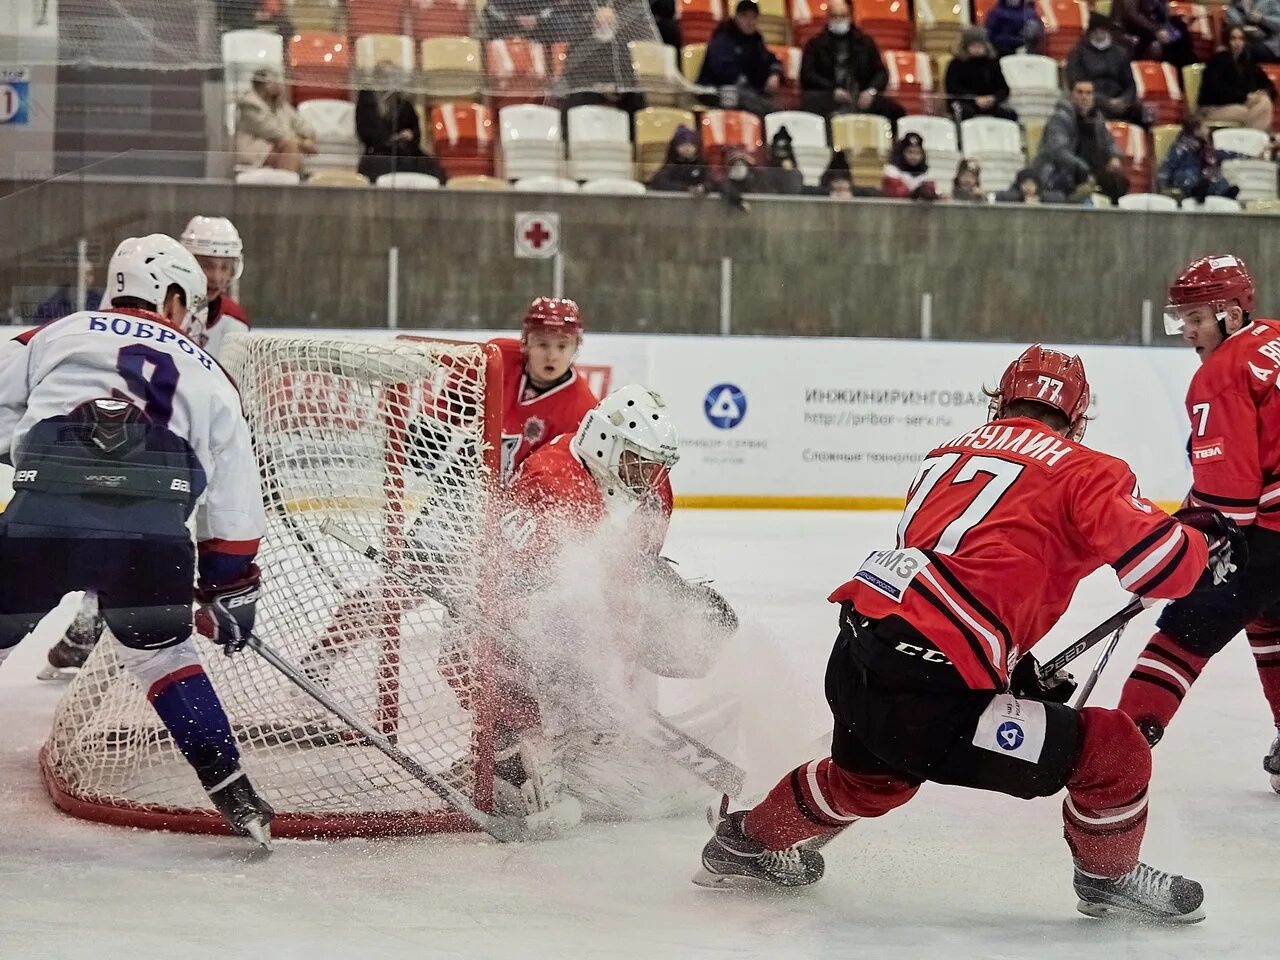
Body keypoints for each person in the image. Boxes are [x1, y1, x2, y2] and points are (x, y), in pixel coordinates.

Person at [694, 344, 1243, 924]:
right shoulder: (1086, 468)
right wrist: (1200, 543)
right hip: (930, 690)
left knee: (873, 777)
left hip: (858, 649)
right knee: (1114, 751)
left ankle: (747, 842)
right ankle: (1109, 880)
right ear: (1078, 419)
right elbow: (1158, 569)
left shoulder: (947, 454)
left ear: (1000, 402)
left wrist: (1005, 666)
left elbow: (971, 564)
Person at [0, 234, 273, 846]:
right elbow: (233, 495)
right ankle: (233, 789)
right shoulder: (211, 372)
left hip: (44, 518)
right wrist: (230, 580)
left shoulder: (57, 332)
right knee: (163, 656)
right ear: (173, 299)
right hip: (149, 537)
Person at [452, 384, 736, 822]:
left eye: (656, 466)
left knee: (702, 622)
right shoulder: (553, 476)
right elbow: (528, 583)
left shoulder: (652, 489)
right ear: (606, 443)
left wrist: (627, 671)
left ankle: (595, 738)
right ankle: (506, 755)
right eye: (639, 462)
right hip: (512, 616)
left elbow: (637, 578)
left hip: (584, 613)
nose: (650, 476)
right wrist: (591, 668)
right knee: (550, 629)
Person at [303, 298, 600, 678]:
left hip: (512, 524)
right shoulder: (495, 358)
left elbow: (563, 488)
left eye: (562, 345)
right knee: (396, 587)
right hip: (460, 500)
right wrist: (437, 438)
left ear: (577, 347)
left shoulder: (581, 409)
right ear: (525, 341)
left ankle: (508, 717)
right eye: (543, 342)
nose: (551, 354)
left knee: (474, 638)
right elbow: (440, 422)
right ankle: (320, 659)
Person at [39, 215, 255, 682]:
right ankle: (95, 629)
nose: (215, 276)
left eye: (224, 266)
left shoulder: (234, 324)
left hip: (179, 450)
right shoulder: (129, 303)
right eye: (205, 264)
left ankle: (120, 634)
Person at [1116, 256, 1280, 794]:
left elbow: (1233, 506)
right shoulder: (1275, 338)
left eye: (1196, 319)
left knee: (1182, 636)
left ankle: (1111, 759)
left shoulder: (1220, 375)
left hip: (1268, 535)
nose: (1187, 332)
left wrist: (1197, 540)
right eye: (1180, 319)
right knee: (1269, 623)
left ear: (1231, 313)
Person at [799, 0, 904, 124]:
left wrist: (871, 91)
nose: (839, 20)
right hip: (829, 96)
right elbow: (807, 75)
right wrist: (832, 90)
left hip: (861, 97)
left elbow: (881, 73)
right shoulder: (815, 44)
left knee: (895, 111)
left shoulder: (865, 42)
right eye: (835, 16)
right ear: (827, 17)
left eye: (843, 16)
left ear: (850, 16)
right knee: (810, 103)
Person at [1035, 80, 1130, 203]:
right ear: (1071, 95)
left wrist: (1114, 156)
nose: (1084, 97)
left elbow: (1109, 141)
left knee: (1119, 183)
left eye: (1088, 93)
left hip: (1089, 169)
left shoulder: (1097, 117)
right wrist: (1084, 169)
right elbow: (1059, 151)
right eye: (1080, 92)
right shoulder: (1059, 118)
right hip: (1060, 170)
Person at [355, 61, 445, 184]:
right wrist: (390, 138)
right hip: (379, 151)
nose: (389, 80)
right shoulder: (367, 98)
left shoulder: (402, 101)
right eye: (385, 76)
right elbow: (365, 130)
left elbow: (414, 127)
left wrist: (410, 134)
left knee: (428, 165)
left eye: (392, 76)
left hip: (403, 150)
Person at [696, 0, 783, 117]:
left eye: (753, 17)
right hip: (715, 90)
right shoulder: (723, 37)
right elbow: (723, 69)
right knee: (759, 105)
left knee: (766, 103)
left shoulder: (755, 39)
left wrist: (774, 74)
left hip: (746, 92)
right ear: (736, 17)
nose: (750, 22)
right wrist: (748, 86)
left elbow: (770, 59)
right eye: (745, 16)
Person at [560, 6, 647, 116]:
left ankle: (634, 132)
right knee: (576, 99)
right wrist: (594, 86)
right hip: (589, 88)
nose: (604, 26)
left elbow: (629, 72)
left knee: (636, 98)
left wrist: (615, 87)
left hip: (615, 88)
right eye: (600, 22)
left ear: (616, 24)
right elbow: (571, 72)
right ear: (594, 23)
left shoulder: (623, 44)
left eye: (609, 22)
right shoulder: (580, 42)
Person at [1066, 14, 1148, 126]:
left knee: (1141, 112)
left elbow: (1130, 84)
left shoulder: (1120, 53)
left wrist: (1124, 100)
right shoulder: (1078, 53)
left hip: (1119, 100)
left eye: (1102, 31)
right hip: (1093, 99)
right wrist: (1106, 102)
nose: (1099, 34)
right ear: (1090, 33)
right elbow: (1077, 84)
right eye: (1096, 31)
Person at [234, 66, 317, 174]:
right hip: (255, 152)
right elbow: (274, 132)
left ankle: (289, 183)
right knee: (291, 146)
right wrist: (302, 143)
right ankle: (285, 187)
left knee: (291, 145)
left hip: (276, 149)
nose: (278, 85)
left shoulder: (280, 106)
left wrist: (309, 138)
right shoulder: (250, 104)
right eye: (272, 82)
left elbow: (304, 126)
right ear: (261, 85)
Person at [1198, 25, 1277, 132]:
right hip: (1213, 108)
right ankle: (1255, 141)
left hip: (1241, 104)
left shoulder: (1248, 62)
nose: (1237, 42)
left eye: (1241, 39)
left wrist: (1262, 93)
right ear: (1227, 40)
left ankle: (1249, 141)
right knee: (1250, 112)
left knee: (1264, 102)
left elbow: (1269, 85)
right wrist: (1245, 97)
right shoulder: (1217, 61)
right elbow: (1214, 93)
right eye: (1233, 38)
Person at [1157, 115, 1243, 200]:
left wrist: (1236, 155)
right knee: (1188, 176)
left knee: (1217, 177)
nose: (1208, 130)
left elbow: (1218, 154)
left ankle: (1225, 193)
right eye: (1205, 127)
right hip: (1186, 173)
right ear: (1196, 130)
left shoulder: (1206, 146)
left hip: (1203, 174)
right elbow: (1170, 163)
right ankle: (1196, 192)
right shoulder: (1181, 147)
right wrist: (1163, 183)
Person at [945, 26, 1018, 122]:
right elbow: (953, 88)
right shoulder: (956, 64)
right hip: (965, 102)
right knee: (965, 113)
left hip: (990, 103)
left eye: (980, 46)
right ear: (965, 47)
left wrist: (994, 98)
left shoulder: (992, 63)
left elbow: (1003, 88)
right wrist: (974, 99)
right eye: (973, 46)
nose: (977, 49)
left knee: (1009, 114)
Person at [1111, 0, 1196, 65]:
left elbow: (1162, 13)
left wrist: (1175, 20)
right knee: (1164, 42)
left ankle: (1185, 72)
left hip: (1151, 26)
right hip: (1130, 29)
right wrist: (1156, 30)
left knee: (1181, 30)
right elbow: (1132, 14)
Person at [30, 259, 101, 325]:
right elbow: (38, 328)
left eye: (89, 274)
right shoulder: (53, 303)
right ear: (72, 275)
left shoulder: (99, 302)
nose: (85, 278)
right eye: (79, 273)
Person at [647, 125, 711, 193]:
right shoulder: (672, 164)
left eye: (690, 145)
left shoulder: (702, 164)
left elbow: (712, 182)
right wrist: (687, 189)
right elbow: (659, 182)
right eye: (682, 145)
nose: (687, 148)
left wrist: (704, 188)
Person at [880, 132, 938, 200]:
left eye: (917, 153)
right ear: (902, 153)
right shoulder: (891, 171)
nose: (914, 157)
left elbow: (931, 192)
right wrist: (917, 193)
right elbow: (897, 194)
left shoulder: (927, 173)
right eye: (910, 152)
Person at [756, 127, 805, 195]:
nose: (781, 151)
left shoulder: (794, 169)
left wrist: (789, 172)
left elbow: (795, 189)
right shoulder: (767, 168)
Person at [996, 166, 1066, 202]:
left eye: (1032, 184)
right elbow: (1000, 196)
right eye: (1025, 184)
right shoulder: (1014, 191)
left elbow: (1061, 197)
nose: (1028, 188)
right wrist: (1022, 198)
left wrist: (1040, 198)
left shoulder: (1041, 192)